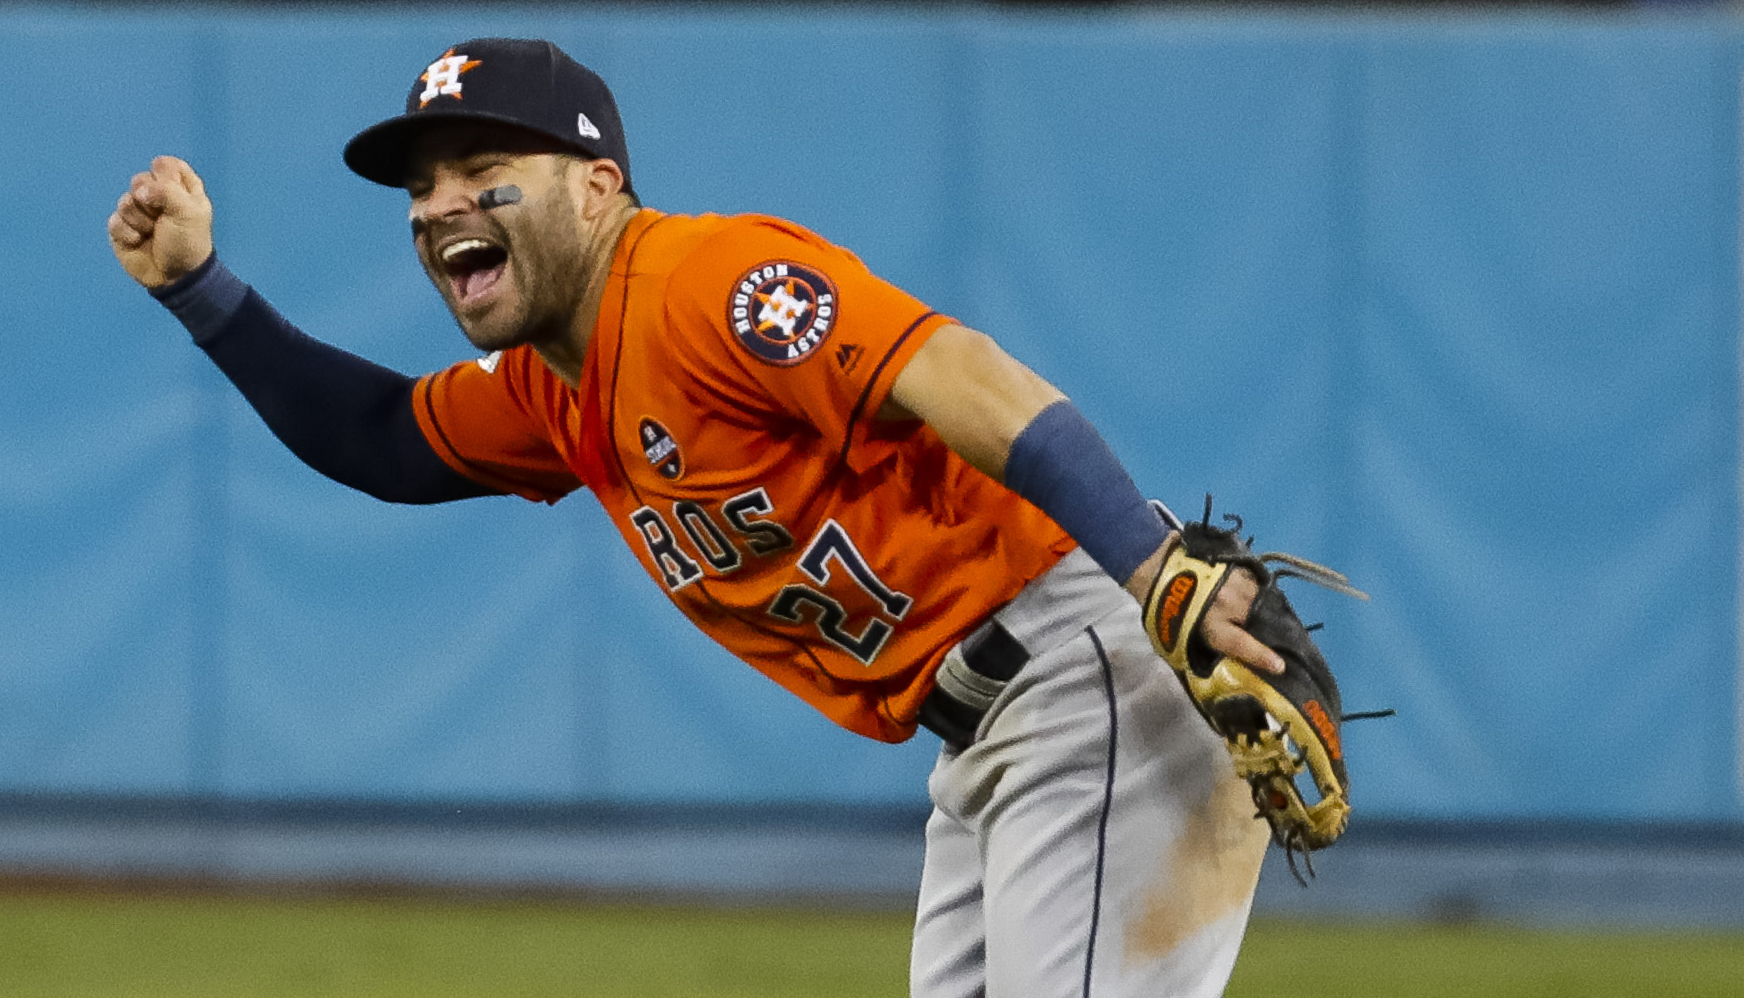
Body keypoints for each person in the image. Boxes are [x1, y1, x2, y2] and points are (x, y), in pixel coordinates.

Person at [108, 37, 1275, 998]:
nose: (438, 205)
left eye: (478, 166)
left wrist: (1149, 563)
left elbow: (956, 372)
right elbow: (378, 438)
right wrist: (199, 290)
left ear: (595, 183)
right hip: (993, 731)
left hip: (1085, 670)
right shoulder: (548, 386)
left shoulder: (706, 285)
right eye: (420, 186)